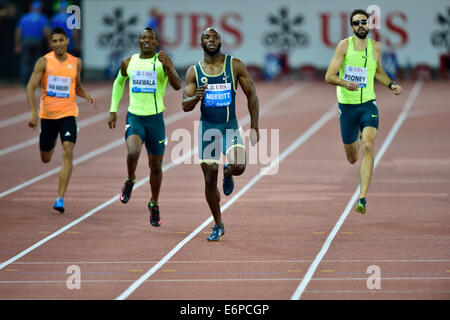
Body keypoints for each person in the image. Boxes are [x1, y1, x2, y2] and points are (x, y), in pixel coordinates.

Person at [182, 27, 260, 241]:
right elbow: (184, 105)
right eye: (207, 37)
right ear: (201, 43)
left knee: (239, 166)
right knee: (209, 181)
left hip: (229, 127)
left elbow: (252, 94)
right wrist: (196, 98)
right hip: (208, 130)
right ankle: (218, 224)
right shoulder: (194, 72)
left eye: (215, 37)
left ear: (220, 42)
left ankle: (228, 173)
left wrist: (254, 126)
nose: (212, 40)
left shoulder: (234, 65)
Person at [325, 9, 402, 214]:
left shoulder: (376, 47)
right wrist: (344, 83)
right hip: (347, 107)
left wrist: (391, 84)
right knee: (352, 157)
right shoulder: (344, 46)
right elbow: (329, 76)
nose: (361, 26)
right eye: (356, 23)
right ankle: (356, 135)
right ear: (351, 27)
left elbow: (378, 71)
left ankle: (362, 198)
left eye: (364, 22)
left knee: (368, 145)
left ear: (369, 25)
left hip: (368, 103)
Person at [108, 27, 181, 227]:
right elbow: (119, 82)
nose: (147, 41)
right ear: (139, 42)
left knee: (155, 166)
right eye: (143, 38)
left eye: (151, 38)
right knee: (133, 152)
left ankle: (154, 203)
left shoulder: (162, 60)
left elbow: (177, 85)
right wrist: (113, 109)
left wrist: (168, 67)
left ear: (156, 43)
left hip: (156, 120)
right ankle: (130, 179)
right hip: (135, 117)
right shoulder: (129, 62)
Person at [26, 27, 95, 213]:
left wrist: (86, 95)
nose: (58, 44)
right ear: (50, 44)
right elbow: (30, 87)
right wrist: (33, 112)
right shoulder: (44, 62)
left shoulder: (76, 63)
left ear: (67, 41)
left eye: (60, 40)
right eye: (54, 41)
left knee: (68, 149)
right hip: (48, 116)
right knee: (46, 158)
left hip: (68, 114)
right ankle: (49, 141)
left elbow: (77, 86)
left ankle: (60, 198)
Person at [14, 0, 51, 86]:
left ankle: (24, 83)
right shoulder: (42, 17)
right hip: (37, 41)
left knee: (25, 62)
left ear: (31, 8)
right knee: (37, 62)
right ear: (40, 8)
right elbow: (46, 31)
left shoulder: (24, 17)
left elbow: (18, 31)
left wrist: (17, 44)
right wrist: (49, 43)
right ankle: (35, 83)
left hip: (25, 41)